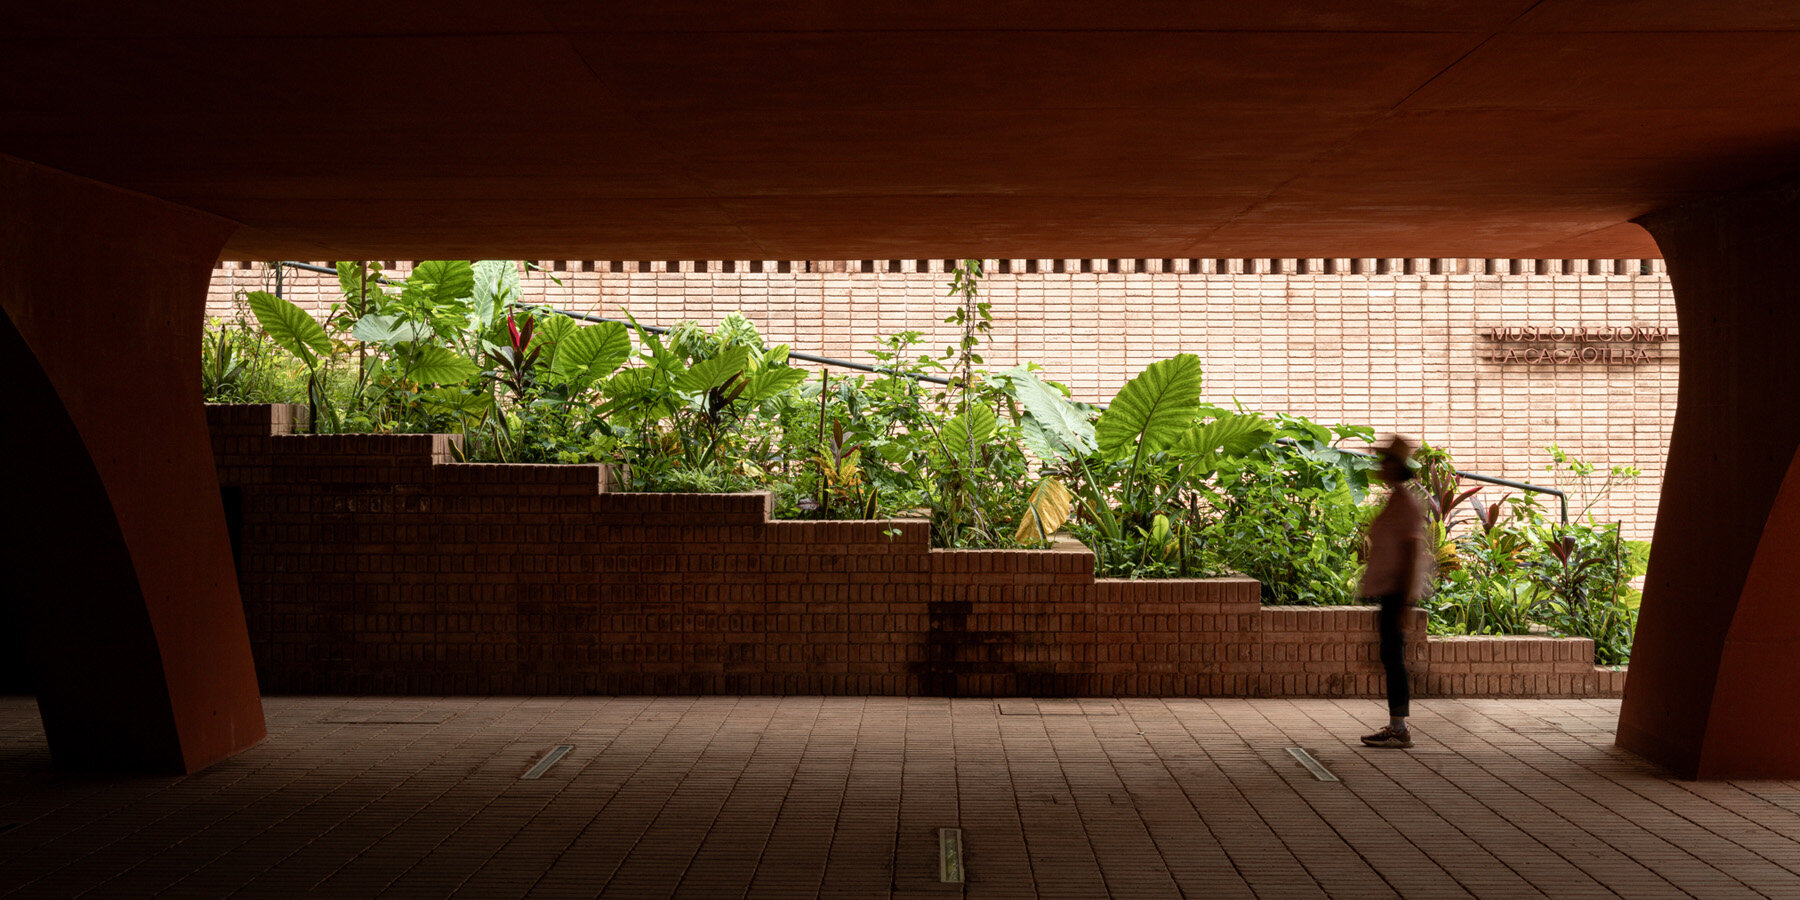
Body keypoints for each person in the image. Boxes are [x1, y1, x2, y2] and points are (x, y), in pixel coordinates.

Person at [1359, 436, 1431, 749]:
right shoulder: (1397, 499)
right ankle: (1396, 724)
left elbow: (1413, 551)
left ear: (1395, 467)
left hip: (1396, 592)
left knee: (1394, 658)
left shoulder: (1406, 503)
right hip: (1389, 590)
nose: (1380, 467)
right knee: (1390, 656)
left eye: (1385, 461)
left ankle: (1399, 727)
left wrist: (1404, 601)